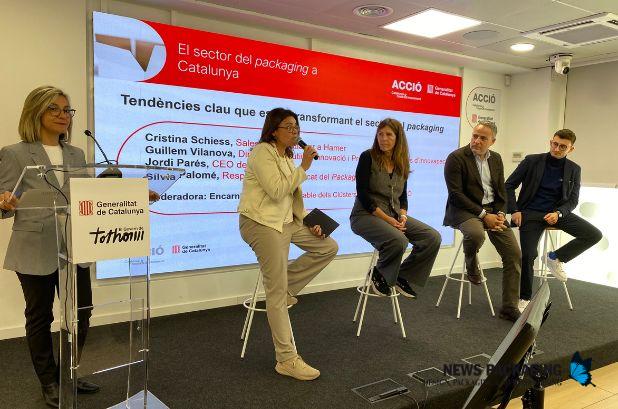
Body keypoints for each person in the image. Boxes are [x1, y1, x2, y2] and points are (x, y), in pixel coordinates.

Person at [0, 86, 100, 408]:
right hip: (34, 246)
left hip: (74, 245)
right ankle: (49, 382)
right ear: (36, 112)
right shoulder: (14, 153)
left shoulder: (77, 154)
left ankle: (68, 373)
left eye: (67, 109)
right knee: (40, 316)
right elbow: (5, 203)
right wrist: (5, 202)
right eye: (53, 109)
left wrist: (135, 197)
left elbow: (90, 197)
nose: (62, 115)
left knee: (80, 312)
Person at [237, 108, 338, 381]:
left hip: (286, 222)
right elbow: (276, 191)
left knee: (328, 246)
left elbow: (290, 200)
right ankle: (286, 359)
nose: (295, 132)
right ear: (274, 131)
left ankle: (286, 288)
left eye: (296, 127)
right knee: (276, 292)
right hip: (260, 223)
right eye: (289, 127)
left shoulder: (285, 157)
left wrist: (310, 223)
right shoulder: (262, 152)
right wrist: (303, 168)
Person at [505, 129, 602, 312]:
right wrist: (515, 210)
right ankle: (524, 298)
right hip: (530, 213)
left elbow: (573, 200)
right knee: (528, 255)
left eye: (562, 147)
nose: (557, 149)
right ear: (551, 142)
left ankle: (555, 257)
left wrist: (559, 213)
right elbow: (509, 185)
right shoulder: (531, 161)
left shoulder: (574, 169)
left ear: (571, 149)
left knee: (594, 234)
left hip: (556, 213)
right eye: (554, 144)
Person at [350, 118, 441, 298]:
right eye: (380, 134)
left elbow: (403, 197)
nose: (383, 138)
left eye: (389, 134)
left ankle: (402, 276)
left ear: (398, 138)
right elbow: (363, 195)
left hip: (394, 214)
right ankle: (379, 273)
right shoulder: (367, 157)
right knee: (399, 240)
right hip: (365, 215)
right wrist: (389, 220)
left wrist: (403, 216)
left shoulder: (402, 162)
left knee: (432, 237)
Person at [443, 121, 521, 322]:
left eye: (483, 138)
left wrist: (501, 213)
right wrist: (484, 215)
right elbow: (456, 194)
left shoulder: (496, 159)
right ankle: (471, 264)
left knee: (514, 254)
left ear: (492, 141)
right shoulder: (456, 158)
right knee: (476, 234)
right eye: (475, 136)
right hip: (464, 210)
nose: (476, 141)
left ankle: (509, 307)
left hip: (493, 211)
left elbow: (501, 191)